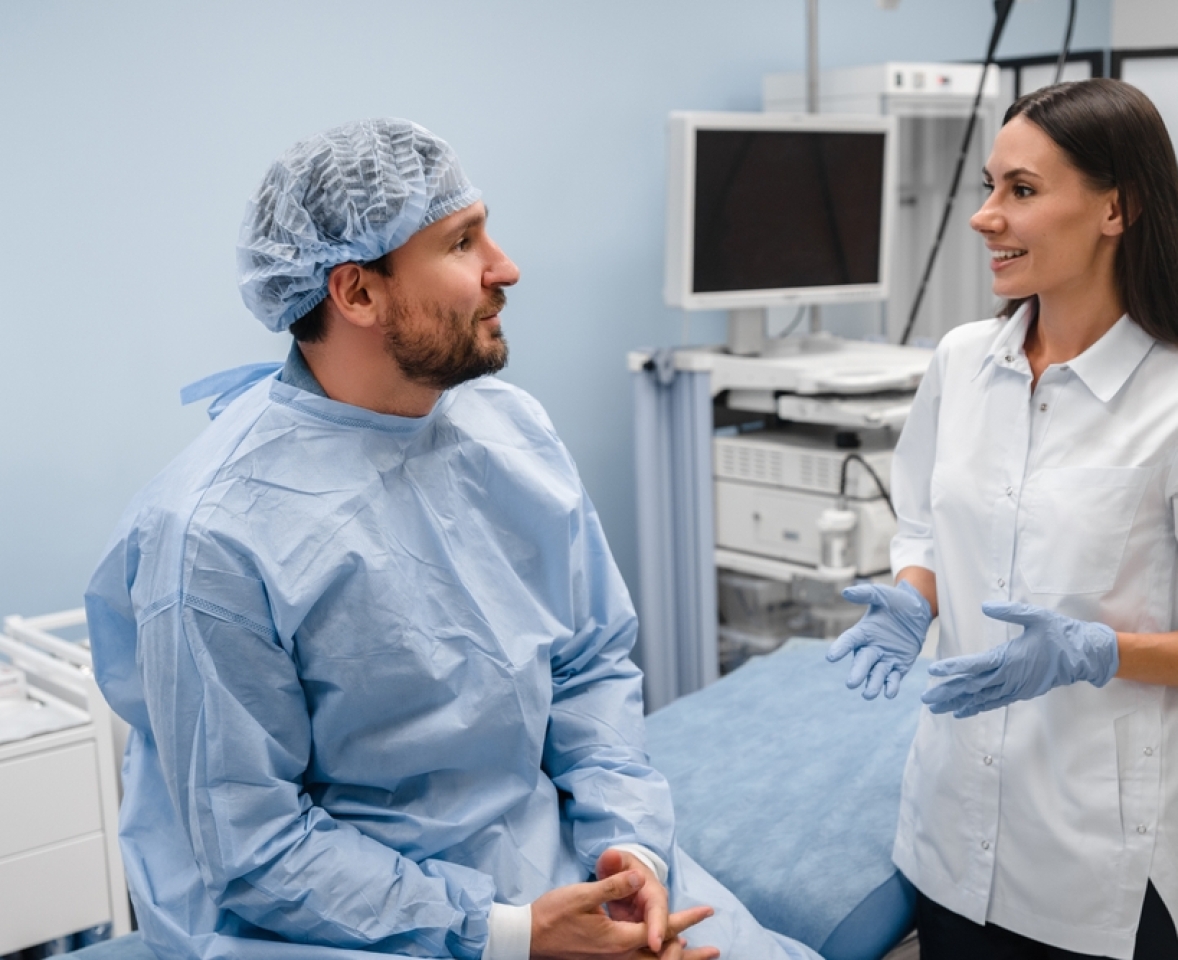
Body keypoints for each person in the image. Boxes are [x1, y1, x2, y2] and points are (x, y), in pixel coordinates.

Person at [85, 119, 817, 960]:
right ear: (357, 293)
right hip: (354, 926)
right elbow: (254, 846)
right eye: (463, 242)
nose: (506, 268)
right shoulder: (212, 535)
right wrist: (507, 935)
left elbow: (588, 665)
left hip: (552, 870)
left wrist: (629, 853)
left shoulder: (508, 430)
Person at [825, 79, 1178, 960]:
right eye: (988, 187)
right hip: (948, 827)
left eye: (1022, 191)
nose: (985, 217)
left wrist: (1100, 652)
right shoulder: (962, 362)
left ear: (1115, 208)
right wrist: (914, 596)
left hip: (1102, 864)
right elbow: (928, 523)